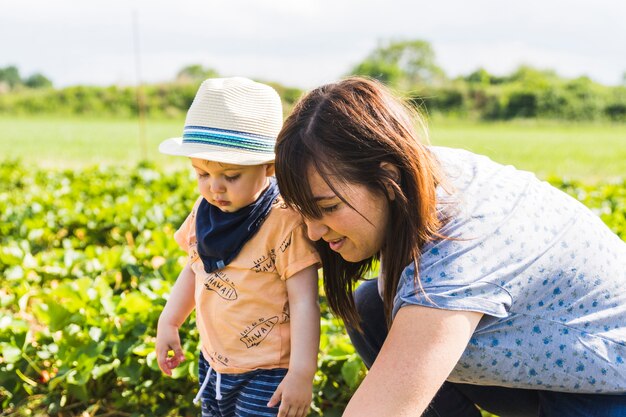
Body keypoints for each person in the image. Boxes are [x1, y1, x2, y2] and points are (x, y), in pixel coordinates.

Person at [273, 76, 626, 417]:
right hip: (548, 362)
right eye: (303, 212)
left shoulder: (458, 247)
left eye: (329, 208)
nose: (314, 232)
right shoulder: (416, 167)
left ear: (387, 177)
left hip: (609, 379)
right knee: (372, 308)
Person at [155, 77, 321, 417]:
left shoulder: (284, 221)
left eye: (231, 177)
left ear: (268, 167)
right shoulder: (204, 213)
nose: (215, 189)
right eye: (202, 174)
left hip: (268, 370)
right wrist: (169, 321)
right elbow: (194, 267)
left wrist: (302, 373)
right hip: (213, 362)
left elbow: (304, 300)